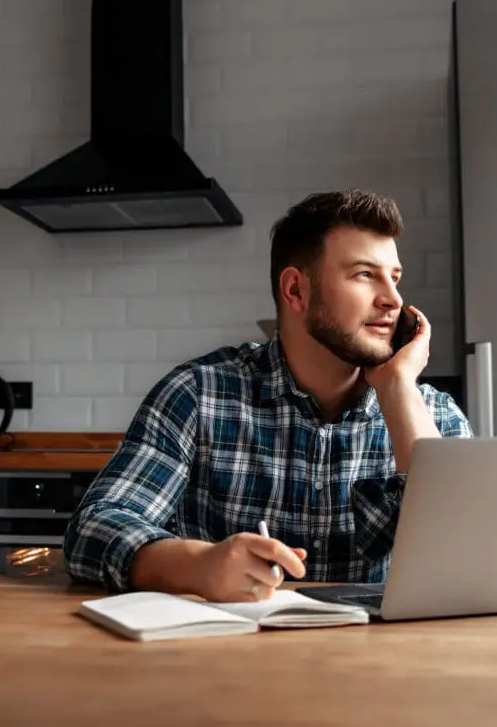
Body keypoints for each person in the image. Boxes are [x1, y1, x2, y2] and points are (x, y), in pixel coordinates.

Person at [62, 189, 472, 602]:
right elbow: (93, 530)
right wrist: (199, 566)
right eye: (365, 275)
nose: (393, 300)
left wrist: (399, 389)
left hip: (379, 662)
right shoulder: (198, 394)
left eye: (394, 277)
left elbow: (471, 557)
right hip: (226, 657)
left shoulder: (434, 413)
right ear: (296, 290)